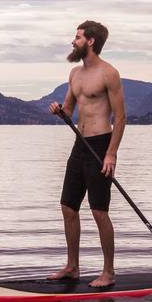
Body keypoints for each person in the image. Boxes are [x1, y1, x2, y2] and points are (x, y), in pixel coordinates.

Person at [48, 20, 126, 288]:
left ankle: (109, 272)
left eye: (78, 37)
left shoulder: (109, 73)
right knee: (68, 207)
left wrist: (111, 154)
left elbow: (122, 117)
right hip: (80, 144)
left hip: (101, 144)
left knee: (99, 211)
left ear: (90, 41)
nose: (73, 41)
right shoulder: (75, 74)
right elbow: (69, 111)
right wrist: (59, 110)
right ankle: (72, 267)